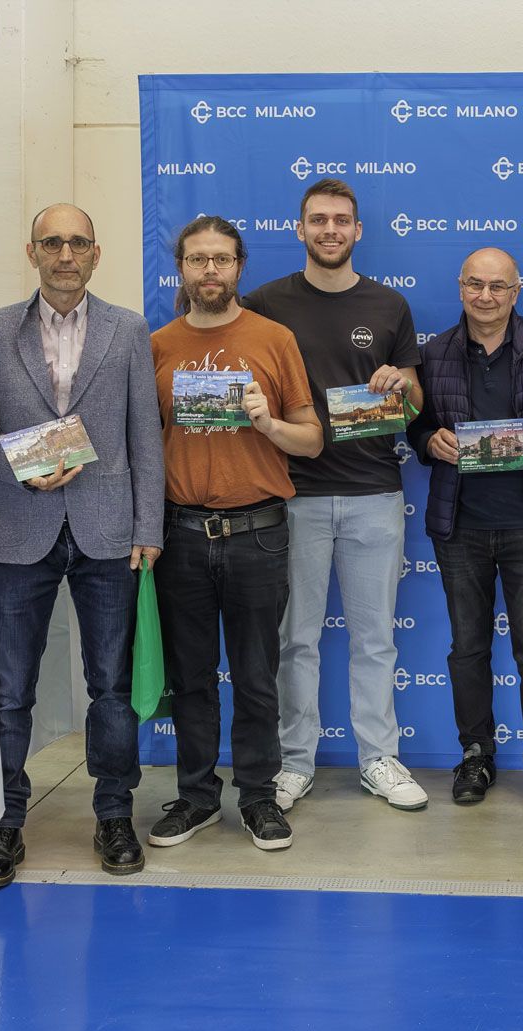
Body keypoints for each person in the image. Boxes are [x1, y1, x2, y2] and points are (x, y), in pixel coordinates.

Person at [0, 203, 164, 887]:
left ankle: (114, 814)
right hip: (21, 532)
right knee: (10, 690)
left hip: (109, 532)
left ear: (96, 254)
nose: (65, 255)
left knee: (112, 688)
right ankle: (4, 823)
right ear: (32, 251)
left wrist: (149, 528)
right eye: (52, 243)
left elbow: (144, 435)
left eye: (77, 243)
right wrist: (18, 460)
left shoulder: (129, 329)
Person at [242, 179, 427, 814]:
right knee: (296, 639)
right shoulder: (264, 304)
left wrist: (400, 386)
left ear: (357, 231)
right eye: (318, 220)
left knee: (375, 639)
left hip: (375, 493)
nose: (330, 230)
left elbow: (415, 405)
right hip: (292, 495)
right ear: (300, 229)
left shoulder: (389, 304)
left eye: (341, 220)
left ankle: (379, 758)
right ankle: (294, 761)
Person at [148, 215, 322, 851]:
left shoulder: (275, 339)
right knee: (190, 678)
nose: (210, 270)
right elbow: (142, 444)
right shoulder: (157, 345)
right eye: (198, 259)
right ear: (181, 268)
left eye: (221, 259)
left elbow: (312, 438)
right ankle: (196, 796)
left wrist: (269, 424)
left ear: (239, 267)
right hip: (182, 533)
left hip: (258, 532)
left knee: (255, 675)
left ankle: (257, 797)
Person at [406, 248, 523, 812]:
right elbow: (416, 425)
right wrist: (427, 442)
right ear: (460, 287)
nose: (485, 296)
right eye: (475, 285)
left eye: (497, 286)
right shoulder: (433, 353)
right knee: (467, 650)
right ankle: (476, 754)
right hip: (460, 526)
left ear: (515, 291)